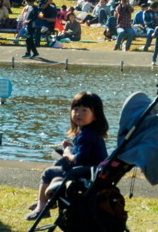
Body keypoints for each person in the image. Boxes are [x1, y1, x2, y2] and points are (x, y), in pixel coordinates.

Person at [26, 91, 109, 220]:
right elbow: (85, 153)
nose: (78, 113)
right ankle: (49, 200)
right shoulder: (91, 132)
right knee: (58, 163)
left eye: (84, 110)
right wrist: (70, 147)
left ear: (95, 115)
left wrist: (67, 152)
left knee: (48, 172)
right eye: (75, 109)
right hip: (92, 171)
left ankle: (41, 207)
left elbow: (78, 160)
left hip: (85, 174)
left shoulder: (86, 135)